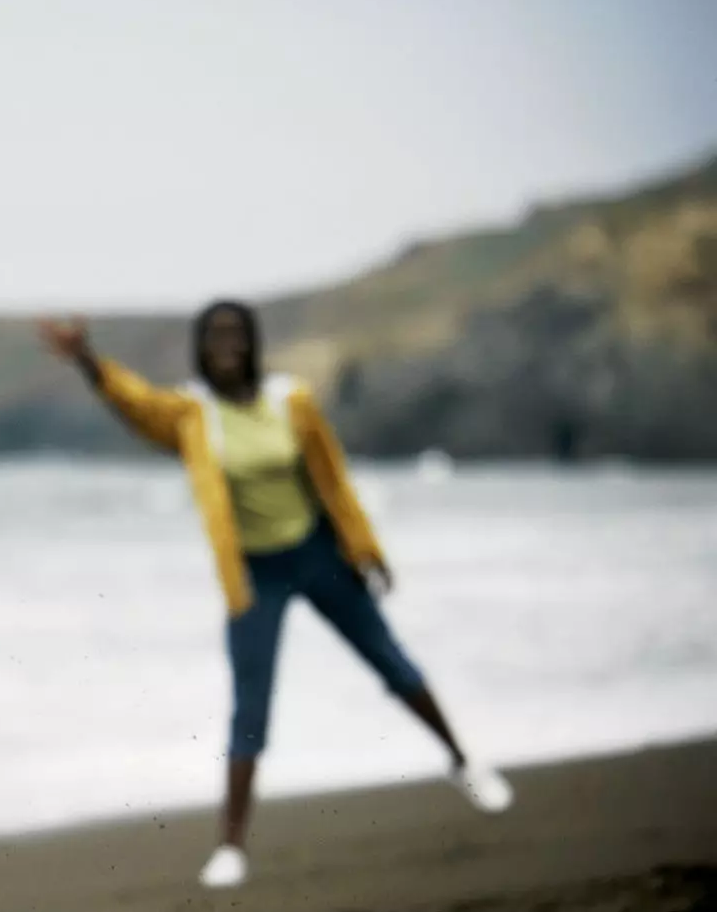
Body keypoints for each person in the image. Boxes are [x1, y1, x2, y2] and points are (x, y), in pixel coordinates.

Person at [38, 302, 511, 890]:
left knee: (390, 662)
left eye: (236, 333)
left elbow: (333, 478)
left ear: (253, 342)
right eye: (215, 335)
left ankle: (465, 764)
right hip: (255, 575)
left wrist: (365, 550)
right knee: (251, 706)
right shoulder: (191, 414)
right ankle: (231, 846)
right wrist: (86, 359)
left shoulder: (291, 400)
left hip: (319, 555)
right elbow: (134, 403)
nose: (227, 344)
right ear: (201, 348)